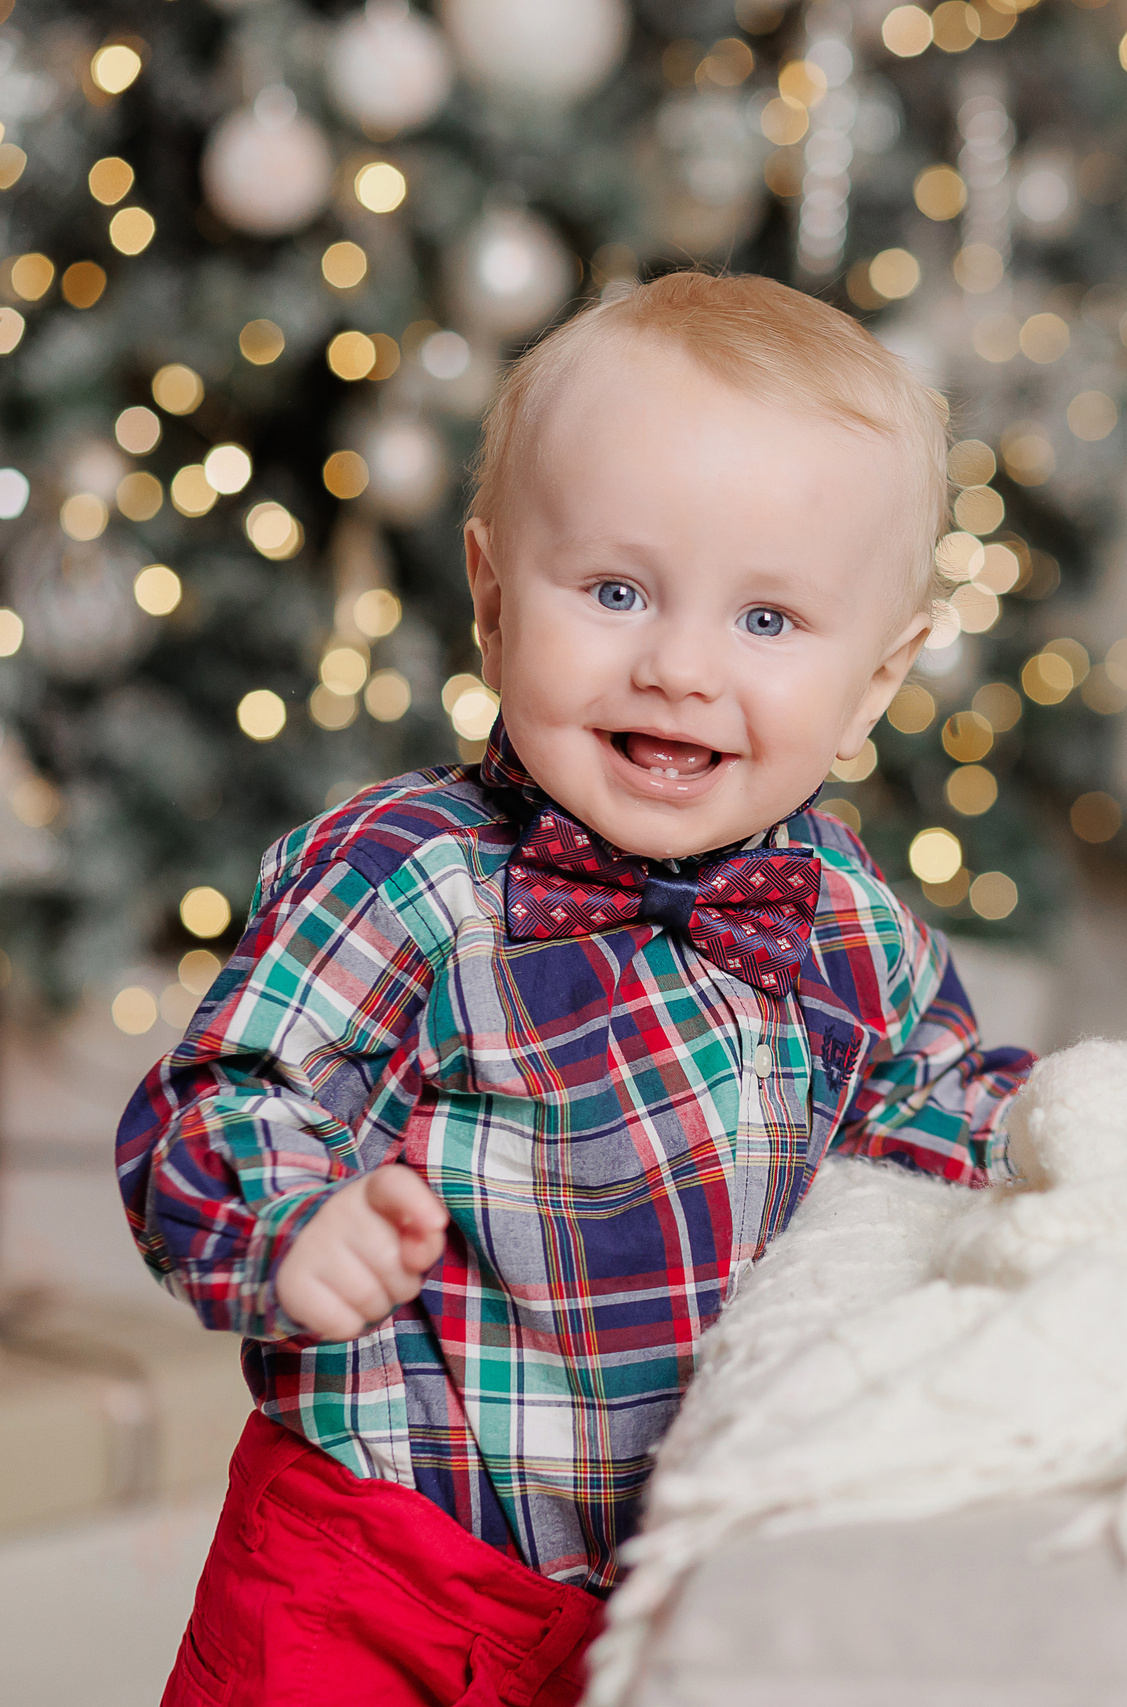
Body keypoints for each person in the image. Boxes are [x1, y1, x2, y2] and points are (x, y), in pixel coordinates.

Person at [117, 271, 1033, 1707]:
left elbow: (946, 1115)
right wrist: (299, 1224)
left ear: (876, 681)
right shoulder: (409, 876)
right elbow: (227, 1096)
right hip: (377, 1562)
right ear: (492, 599)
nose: (677, 667)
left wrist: (1073, 1161)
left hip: (689, 1589)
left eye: (771, 623)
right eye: (615, 592)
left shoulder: (845, 917)